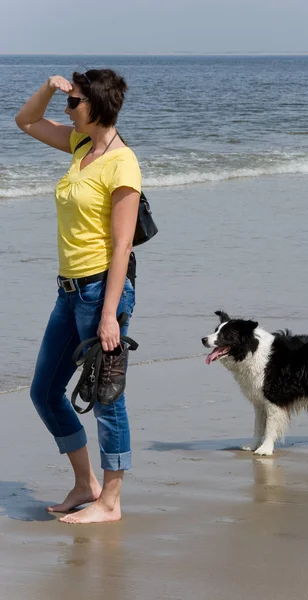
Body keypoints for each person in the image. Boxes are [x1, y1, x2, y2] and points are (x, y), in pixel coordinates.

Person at [15, 69, 141, 524]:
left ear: (98, 107)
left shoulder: (122, 163)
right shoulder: (82, 145)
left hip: (100, 292)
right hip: (68, 290)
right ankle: (85, 483)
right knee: (46, 392)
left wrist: (109, 313)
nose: (69, 111)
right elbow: (25, 121)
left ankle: (110, 502)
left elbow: (122, 246)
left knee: (107, 397)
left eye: (75, 103)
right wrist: (51, 88)